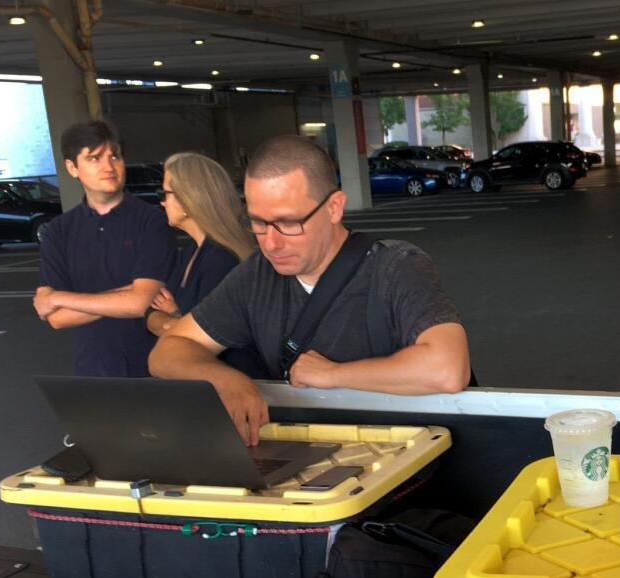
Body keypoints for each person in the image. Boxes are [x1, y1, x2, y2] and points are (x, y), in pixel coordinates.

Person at [150, 135, 471, 445]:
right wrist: (225, 380)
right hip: (319, 468)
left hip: (408, 461)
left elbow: (447, 367)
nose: (271, 242)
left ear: (334, 207)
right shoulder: (256, 277)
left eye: (289, 223)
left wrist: (333, 374)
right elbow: (168, 350)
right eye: (258, 223)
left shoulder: (395, 266)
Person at [35, 120, 175, 376]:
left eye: (115, 156)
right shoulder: (58, 231)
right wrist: (130, 292)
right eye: (94, 158)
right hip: (94, 372)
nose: (108, 166)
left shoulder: (151, 221)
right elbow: (57, 319)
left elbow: (138, 303)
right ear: (72, 167)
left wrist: (56, 297)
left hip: (157, 369)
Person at [146, 152, 266, 378]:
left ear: (187, 200)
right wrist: (180, 324)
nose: (161, 201)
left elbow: (208, 337)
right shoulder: (191, 250)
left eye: (166, 193)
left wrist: (174, 318)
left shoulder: (221, 259)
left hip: (230, 386)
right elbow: (150, 313)